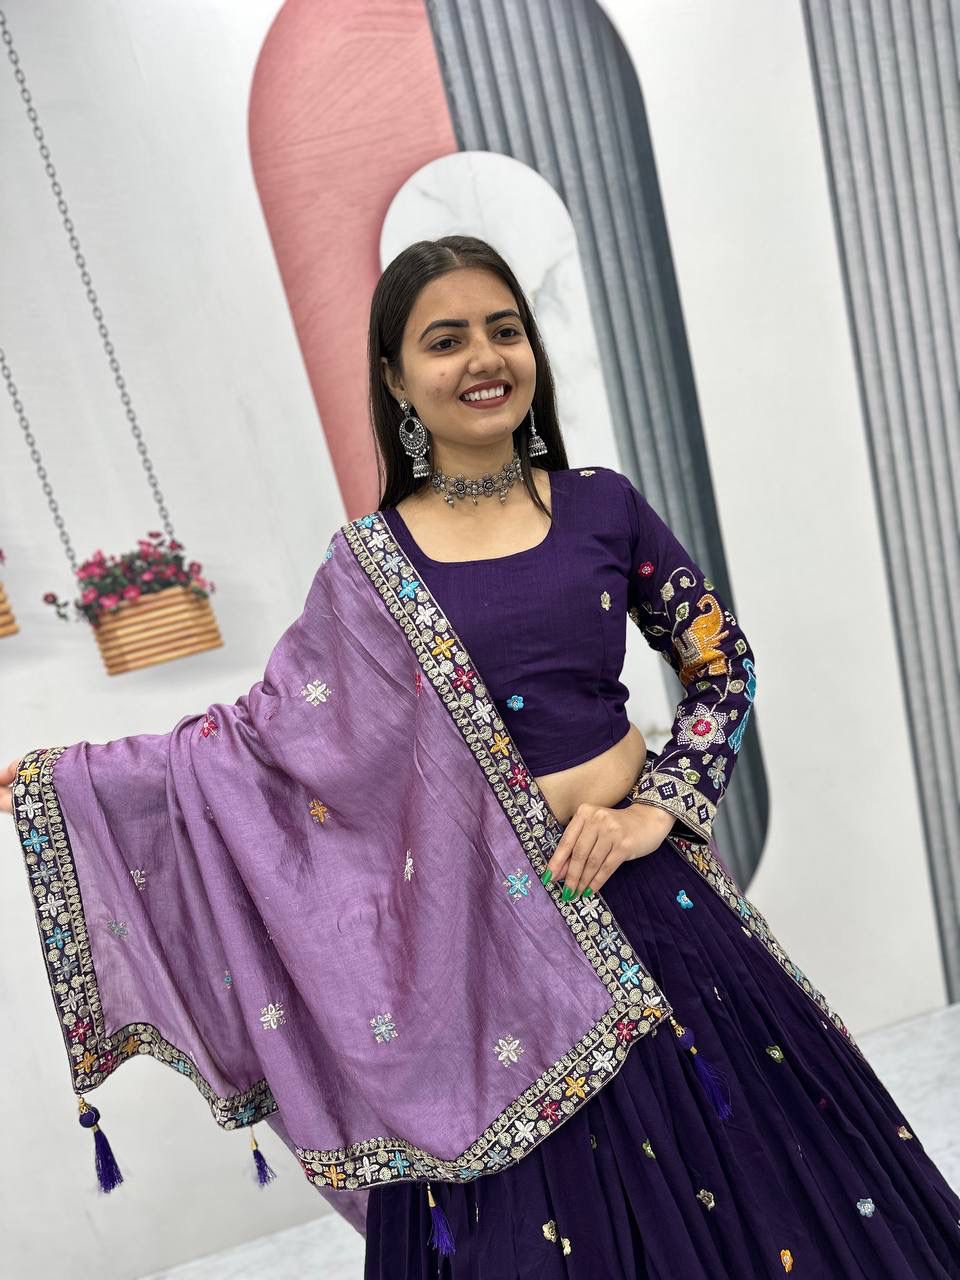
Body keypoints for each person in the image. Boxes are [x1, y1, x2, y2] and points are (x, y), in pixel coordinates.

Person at [4, 235, 959, 1279]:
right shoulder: (370, 565)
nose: (483, 358)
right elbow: (261, 746)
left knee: (773, 1197)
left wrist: (656, 809)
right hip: (489, 957)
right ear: (395, 377)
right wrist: (70, 784)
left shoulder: (602, 504)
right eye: (445, 339)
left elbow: (721, 663)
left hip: (655, 907)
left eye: (504, 330)